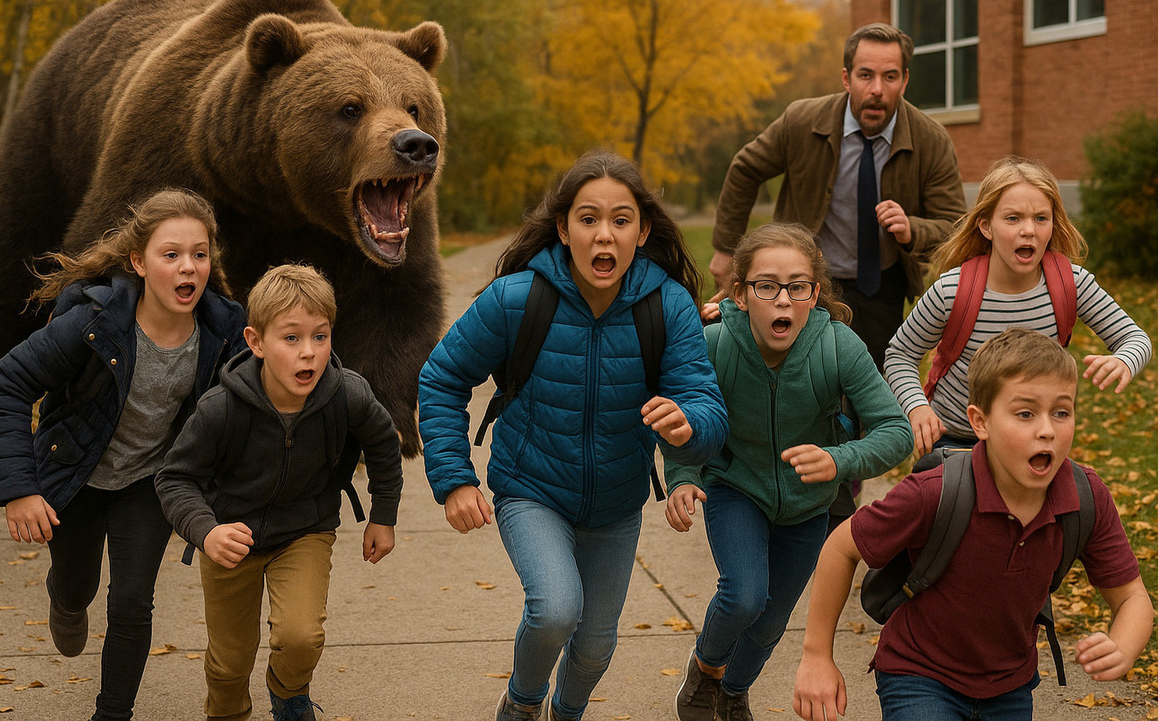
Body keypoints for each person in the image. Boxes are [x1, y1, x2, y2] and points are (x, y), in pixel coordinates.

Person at [418, 150, 729, 721]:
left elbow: (705, 406)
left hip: (616, 503)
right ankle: (521, 705)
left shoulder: (668, 306)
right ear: (563, 229)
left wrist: (689, 426)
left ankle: (567, 712)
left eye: (620, 220)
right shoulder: (517, 299)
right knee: (555, 609)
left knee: (595, 647)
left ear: (642, 232)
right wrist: (455, 479)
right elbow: (442, 378)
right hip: (530, 488)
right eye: (588, 219)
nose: (603, 235)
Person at [0, 189, 248, 721]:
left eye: (199, 254)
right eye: (170, 254)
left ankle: (112, 714)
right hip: (75, 473)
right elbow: (8, 383)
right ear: (138, 263)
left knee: (132, 601)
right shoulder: (92, 322)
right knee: (77, 586)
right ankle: (65, 597)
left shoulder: (223, 331)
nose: (188, 267)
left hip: (149, 481)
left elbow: (260, 401)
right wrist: (19, 490)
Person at [792, 328, 1153, 721]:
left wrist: (1123, 645)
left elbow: (1132, 598)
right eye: (1025, 413)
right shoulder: (934, 492)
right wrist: (817, 657)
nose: (1047, 429)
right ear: (980, 422)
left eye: (1061, 412)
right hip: (919, 674)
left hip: (1010, 685)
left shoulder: (1085, 497)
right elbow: (841, 547)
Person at [665, 223, 913, 721]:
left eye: (797, 287)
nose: (783, 299)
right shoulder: (714, 344)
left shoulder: (838, 346)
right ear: (740, 294)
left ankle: (734, 691)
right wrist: (682, 477)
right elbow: (682, 417)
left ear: (815, 294)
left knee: (772, 619)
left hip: (808, 503)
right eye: (767, 286)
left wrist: (840, 460)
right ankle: (706, 670)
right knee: (744, 595)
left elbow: (896, 430)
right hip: (734, 486)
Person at [155, 264, 402, 721]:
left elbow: (385, 444)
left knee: (301, 638)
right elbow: (174, 478)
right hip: (229, 537)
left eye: (320, 336)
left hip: (305, 531)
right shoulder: (221, 407)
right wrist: (206, 532)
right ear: (256, 342)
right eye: (291, 338)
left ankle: (289, 695)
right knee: (229, 663)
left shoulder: (346, 394)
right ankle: (226, 713)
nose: (309, 352)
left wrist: (382, 515)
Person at [709, 22, 967, 372]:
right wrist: (726, 248)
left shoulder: (931, 140)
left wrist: (912, 230)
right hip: (802, 283)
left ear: (905, 80)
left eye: (890, 77)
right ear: (846, 78)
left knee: (870, 383)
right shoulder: (802, 121)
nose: (877, 89)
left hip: (882, 288)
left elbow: (955, 226)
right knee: (797, 378)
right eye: (865, 75)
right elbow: (745, 169)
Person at [885, 156, 1152, 454]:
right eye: (1013, 218)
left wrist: (1124, 360)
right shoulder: (951, 291)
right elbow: (900, 354)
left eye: (1041, 218)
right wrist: (917, 407)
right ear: (986, 226)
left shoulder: (1071, 284)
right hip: (957, 442)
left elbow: (1136, 339)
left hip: (1033, 441)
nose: (1029, 230)